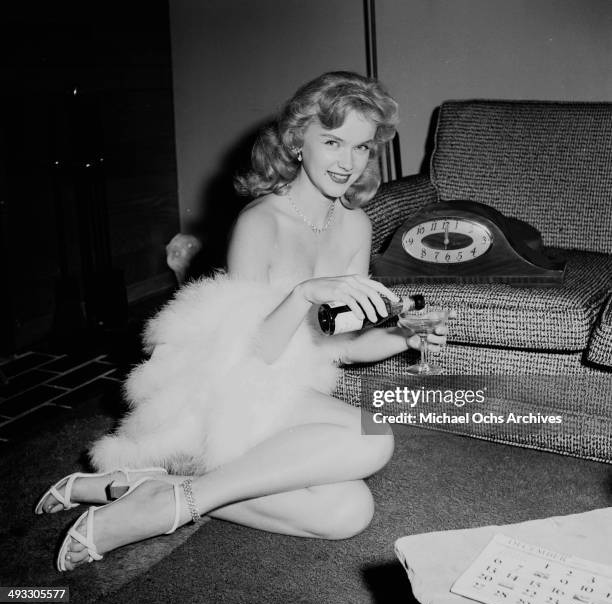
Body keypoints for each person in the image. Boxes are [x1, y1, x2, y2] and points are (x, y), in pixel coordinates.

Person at [35, 71, 450, 571]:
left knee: (348, 512)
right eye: (333, 141)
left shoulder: (355, 224)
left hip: (292, 393)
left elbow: (339, 345)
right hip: (229, 387)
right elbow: (250, 354)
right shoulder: (261, 222)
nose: (347, 162)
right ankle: (164, 509)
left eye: (361, 147)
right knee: (372, 437)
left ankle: (151, 490)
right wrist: (303, 294)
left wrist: (404, 334)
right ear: (299, 141)